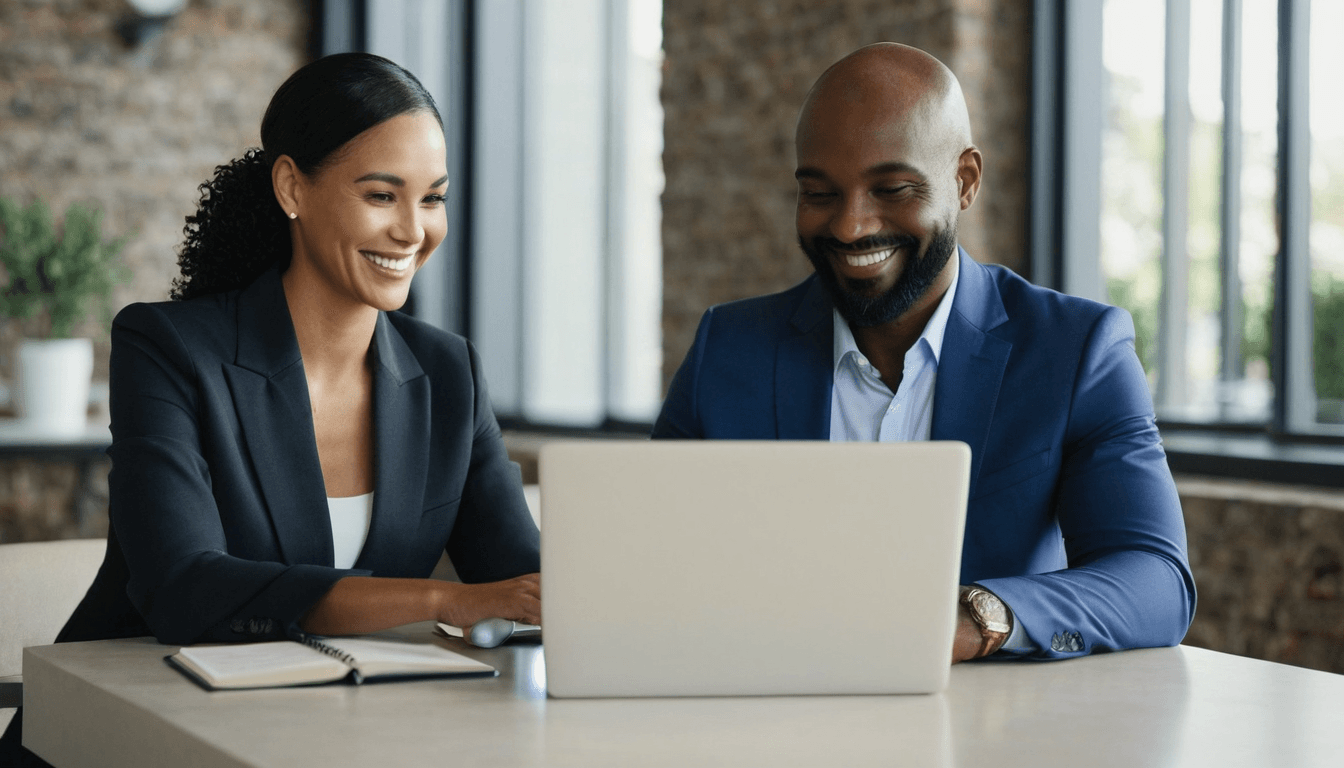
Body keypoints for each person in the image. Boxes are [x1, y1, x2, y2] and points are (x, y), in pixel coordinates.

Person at [1, 52, 544, 766]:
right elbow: (183, 586)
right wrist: (443, 601)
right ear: (292, 187)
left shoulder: (449, 374)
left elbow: (521, 584)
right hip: (125, 735)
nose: (414, 231)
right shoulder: (169, 347)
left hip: (326, 738)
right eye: (382, 195)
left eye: (433, 198)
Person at [652, 43, 1196, 663]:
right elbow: (648, 557)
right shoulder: (730, 349)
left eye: (892, 188)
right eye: (821, 194)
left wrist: (973, 617)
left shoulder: (1076, 350)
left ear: (963, 181)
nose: (851, 226)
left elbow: (1155, 581)